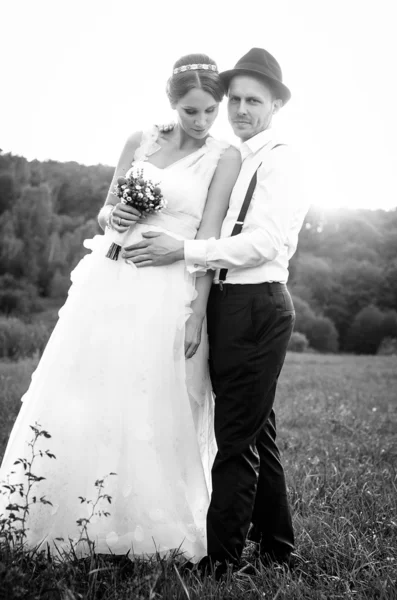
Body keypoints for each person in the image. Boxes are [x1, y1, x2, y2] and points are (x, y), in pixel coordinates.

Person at [0, 53, 241, 562]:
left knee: (154, 399)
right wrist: (118, 211)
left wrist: (196, 313)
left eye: (209, 111)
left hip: (168, 288)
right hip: (110, 278)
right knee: (90, 392)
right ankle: (67, 514)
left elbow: (209, 232)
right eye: (191, 111)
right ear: (171, 103)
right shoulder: (140, 140)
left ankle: (148, 529)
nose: (201, 123)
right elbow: (105, 207)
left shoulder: (224, 156)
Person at [123, 47, 309, 573]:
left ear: (276, 105)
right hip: (228, 304)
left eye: (254, 100)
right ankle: (277, 547)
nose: (241, 109)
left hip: (257, 304)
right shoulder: (239, 154)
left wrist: (184, 251)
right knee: (255, 433)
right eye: (236, 99)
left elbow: (266, 242)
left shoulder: (282, 158)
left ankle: (222, 562)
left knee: (234, 442)